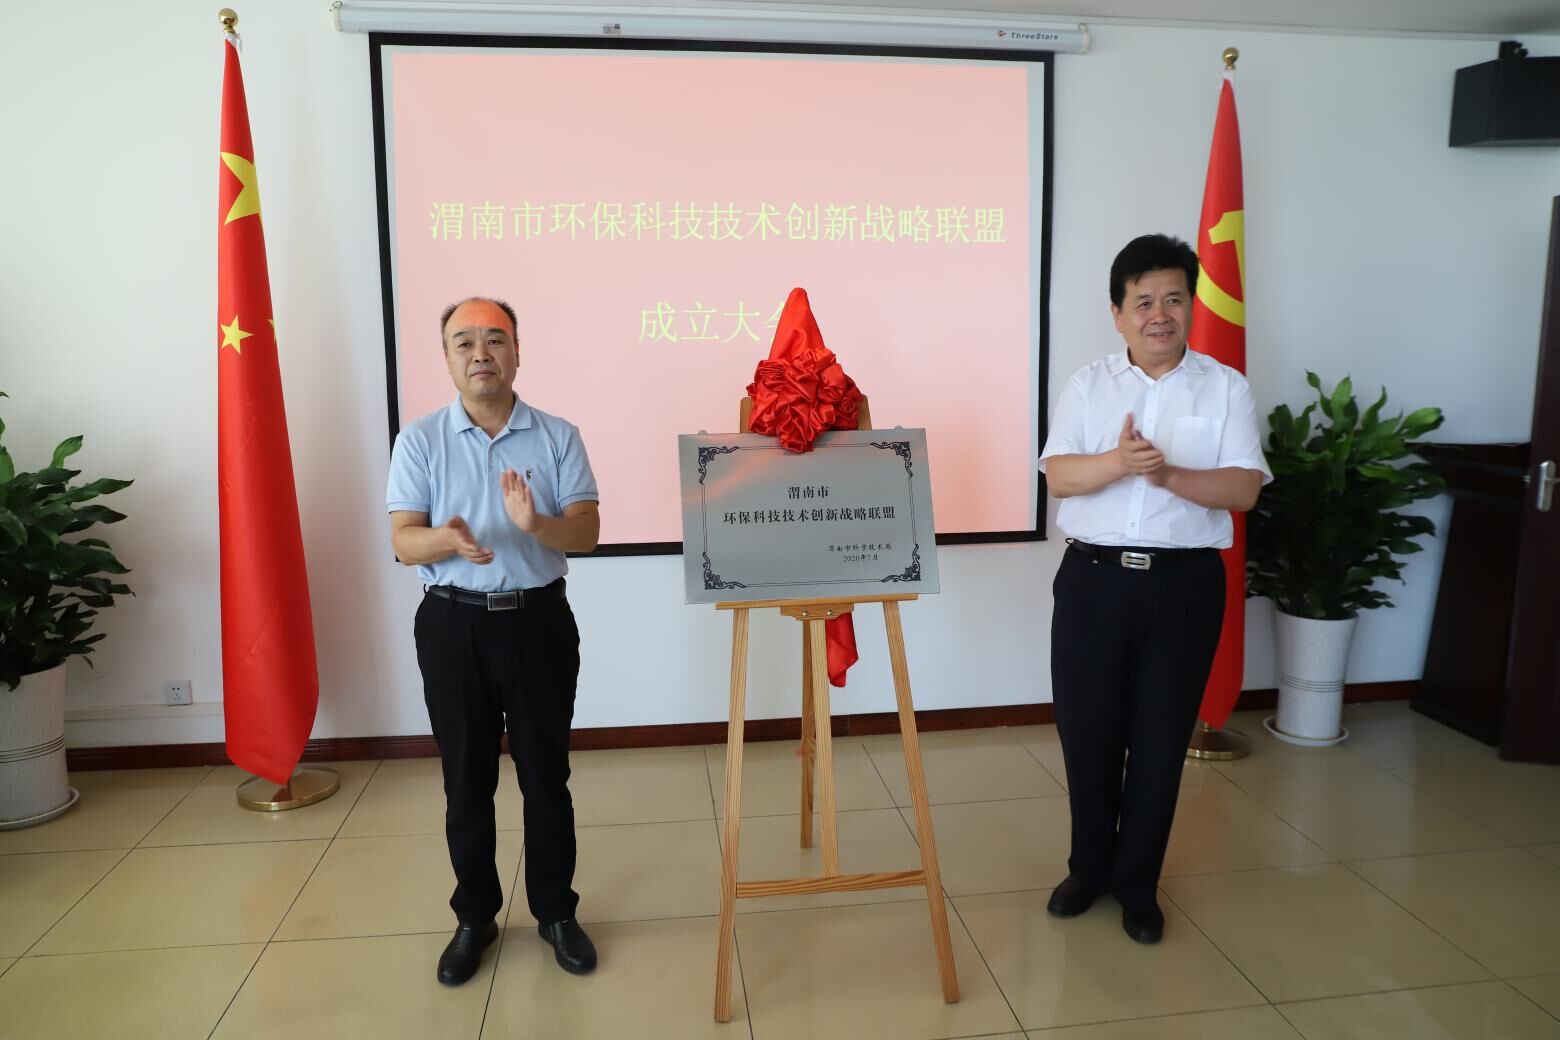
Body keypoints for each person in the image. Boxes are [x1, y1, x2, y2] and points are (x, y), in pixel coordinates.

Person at [1038, 234, 1270, 944]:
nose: (1159, 314)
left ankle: (1138, 884)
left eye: (1173, 298)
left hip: (1183, 587)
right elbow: (1059, 476)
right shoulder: (1089, 385)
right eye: (1143, 301)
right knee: (1089, 736)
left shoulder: (1225, 387)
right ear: (1118, 313)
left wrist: (1166, 475)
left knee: (1161, 737)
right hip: (1093, 583)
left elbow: (1244, 489)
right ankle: (1088, 869)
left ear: (1191, 306)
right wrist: (1120, 462)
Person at [386, 296, 601, 983]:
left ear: (516, 352)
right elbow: (403, 541)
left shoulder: (558, 436)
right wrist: (445, 540)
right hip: (453, 626)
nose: (481, 353)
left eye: (495, 339)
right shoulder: (420, 440)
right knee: (465, 779)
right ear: (448, 357)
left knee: (546, 777)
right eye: (464, 342)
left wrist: (536, 524)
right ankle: (475, 917)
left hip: (538, 623)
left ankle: (556, 913)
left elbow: (587, 532)